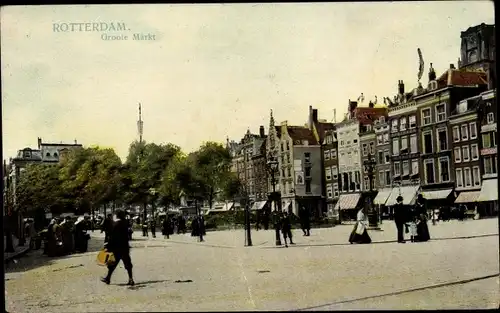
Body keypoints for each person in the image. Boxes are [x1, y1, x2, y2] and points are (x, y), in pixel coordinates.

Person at [101, 209, 135, 286]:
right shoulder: (125, 223)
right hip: (125, 246)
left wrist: (108, 245)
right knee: (127, 263)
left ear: (116, 215)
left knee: (112, 263)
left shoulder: (116, 224)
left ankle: (108, 278)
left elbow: (113, 237)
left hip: (117, 247)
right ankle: (130, 279)